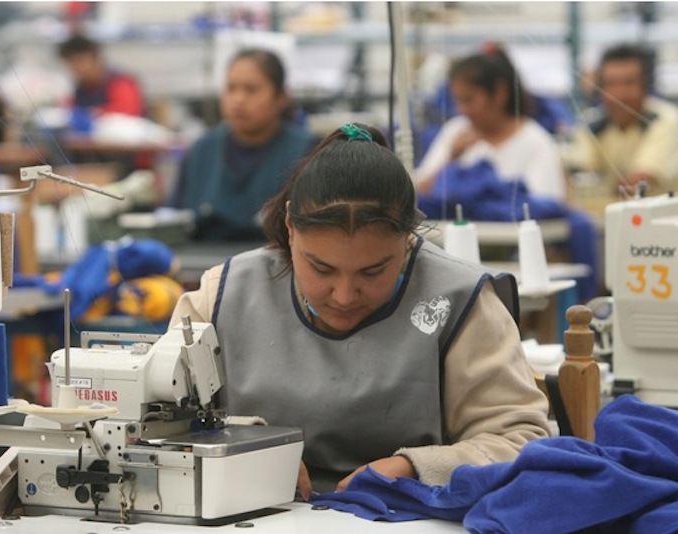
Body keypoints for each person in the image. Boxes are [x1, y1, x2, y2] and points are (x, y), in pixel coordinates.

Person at [169, 123, 551, 498]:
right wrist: (245, 445)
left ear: (407, 239)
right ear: (289, 227)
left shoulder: (459, 302)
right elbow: (156, 420)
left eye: (373, 271)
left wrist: (416, 467)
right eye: (321, 268)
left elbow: (520, 438)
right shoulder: (221, 296)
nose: (344, 295)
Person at [171, 48, 316, 241]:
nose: (238, 100)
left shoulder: (305, 153)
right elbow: (174, 219)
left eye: (251, 90)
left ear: (281, 98)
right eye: (231, 89)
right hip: (204, 264)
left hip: (276, 264)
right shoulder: (202, 150)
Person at [414, 45, 567, 201]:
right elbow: (418, 193)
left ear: (500, 92)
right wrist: (451, 160)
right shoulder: (456, 131)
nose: (462, 109)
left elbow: (547, 208)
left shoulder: (536, 143)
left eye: (468, 100)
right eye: (458, 101)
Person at [569, 43, 678, 199]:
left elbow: (637, 185)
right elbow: (577, 176)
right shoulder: (592, 124)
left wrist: (598, 188)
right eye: (611, 84)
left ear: (646, 86)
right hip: (621, 218)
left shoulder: (665, 120)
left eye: (629, 83)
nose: (620, 94)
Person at [57, 33, 145, 119]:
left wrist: (92, 113)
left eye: (80, 61)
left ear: (96, 59)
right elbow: (71, 109)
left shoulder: (120, 82)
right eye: (71, 63)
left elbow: (129, 110)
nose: (76, 68)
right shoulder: (82, 87)